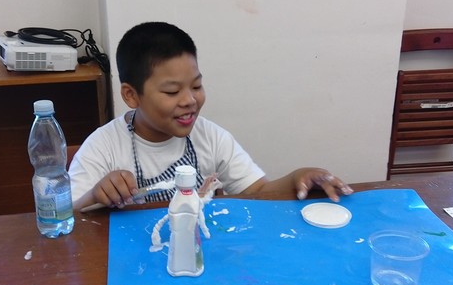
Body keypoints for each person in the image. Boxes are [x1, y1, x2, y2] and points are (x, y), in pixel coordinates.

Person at [69, 22, 353, 211]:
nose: (190, 100)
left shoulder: (211, 137)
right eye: (172, 91)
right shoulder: (103, 147)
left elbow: (257, 192)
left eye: (196, 86)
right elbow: (66, 217)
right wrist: (95, 196)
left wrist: (297, 178)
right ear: (131, 95)